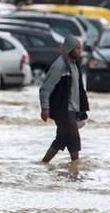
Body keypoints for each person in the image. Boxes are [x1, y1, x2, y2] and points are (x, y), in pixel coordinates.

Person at [38, 35, 89, 163]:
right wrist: (45, 108)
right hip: (63, 110)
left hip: (72, 109)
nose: (79, 51)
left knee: (61, 139)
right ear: (69, 49)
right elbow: (45, 88)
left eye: (80, 48)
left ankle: (44, 164)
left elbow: (78, 90)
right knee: (74, 139)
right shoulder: (59, 66)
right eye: (77, 48)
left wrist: (81, 109)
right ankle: (75, 172)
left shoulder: (74, 65)